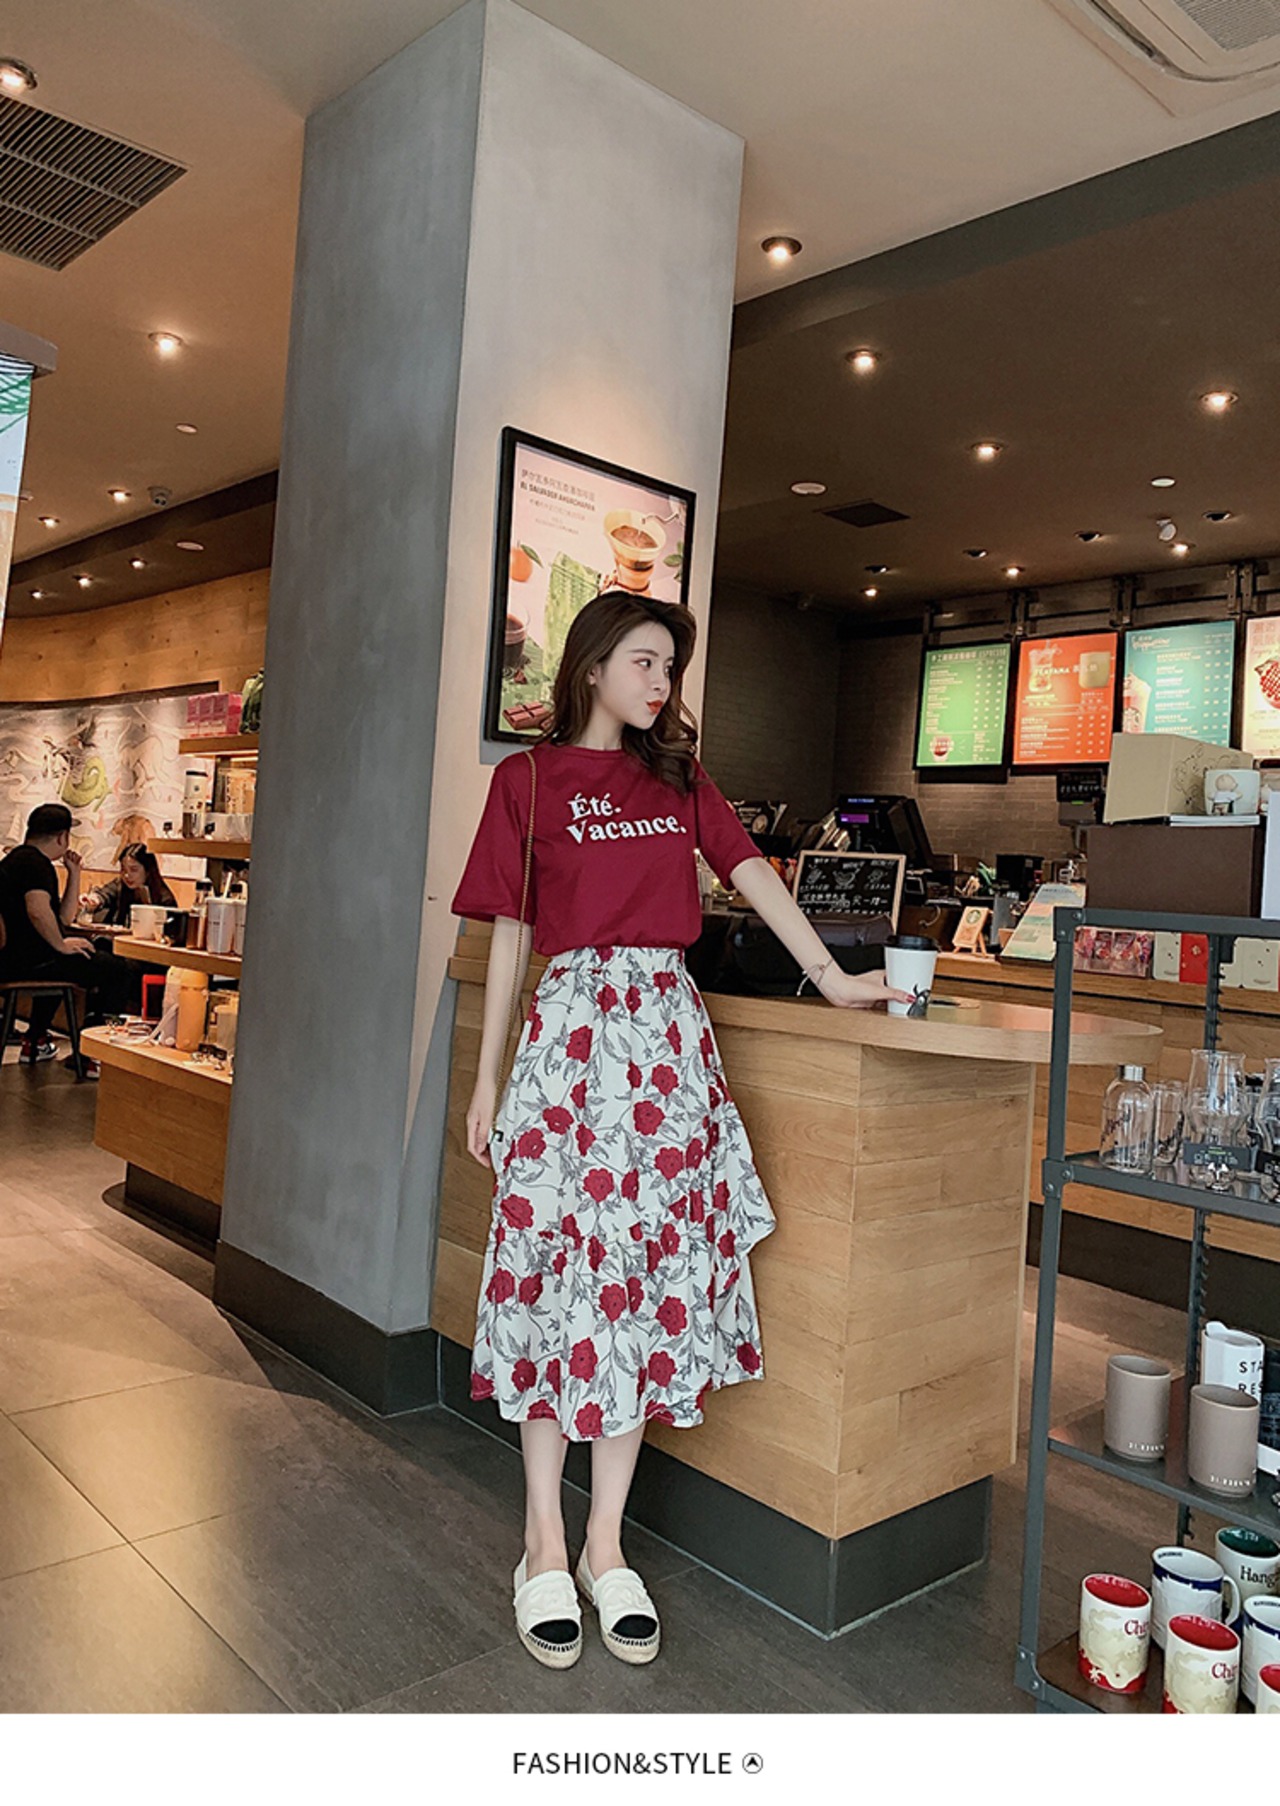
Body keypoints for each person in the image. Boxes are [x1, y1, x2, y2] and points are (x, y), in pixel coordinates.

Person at [451, 590, 909, 1671]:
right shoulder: (526, 781)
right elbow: (510, 934)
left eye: (670, 668)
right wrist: (487, 1083)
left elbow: (753, 874)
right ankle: (542, 1542)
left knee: (640, 1289)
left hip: (664, 1046)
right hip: (567, 1046)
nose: (661, 685)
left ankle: (605, 1545)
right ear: (593, 665)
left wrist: (833, 978)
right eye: (645, 663)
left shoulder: (677, 780)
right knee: (554, 1281)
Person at [0, 803, 132, 1075]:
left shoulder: (16, 861)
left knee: (76, 957)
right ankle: (93, 1053)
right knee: (119, 970)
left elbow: (62, 918)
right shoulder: (35, 864)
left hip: (16, 960)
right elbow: (37, 910)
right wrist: (60, 944)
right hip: (28, 962)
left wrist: (74, 873)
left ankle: (36, 1040)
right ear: (62, 837)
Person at [81, 842, 177, 924]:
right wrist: (94, 899)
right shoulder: (120, 884)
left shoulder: (165, 899)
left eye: (134, 870)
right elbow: (105, 893)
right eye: (123, 869)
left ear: (148, 871)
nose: (127, 875)